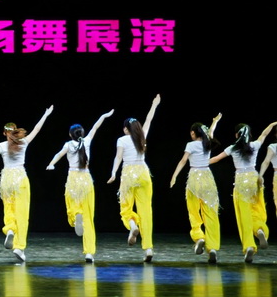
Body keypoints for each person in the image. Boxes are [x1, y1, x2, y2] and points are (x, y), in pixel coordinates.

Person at [0, 107, 54, 262]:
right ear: (15, 131)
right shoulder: (24, 142)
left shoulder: (1, 146)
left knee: (9, 208)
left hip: (6, 179)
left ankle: (10, 230)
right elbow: (37, 129)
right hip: (20, 178)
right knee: (22, 213)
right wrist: (46, 114)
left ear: (4, 133)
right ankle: (19, 247)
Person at [45, 109, 114, 263]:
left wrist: (51, 164)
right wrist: (103, 115)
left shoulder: (68, 144)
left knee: (71, 203)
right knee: (89, 217)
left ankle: (76, 216)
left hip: (73, 178)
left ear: (70, 135)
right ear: (82, 133)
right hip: (86, 178)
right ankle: (89, 253)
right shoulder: (87, 141)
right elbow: (95, 127)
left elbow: (58, 155)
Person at [209, 120, 277, 263]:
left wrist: (201, 163)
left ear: (236, 135)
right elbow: (264, 135)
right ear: (249, 134)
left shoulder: (232, 148)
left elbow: (216, 159)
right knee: (258, 209)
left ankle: (249, 246)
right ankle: (260, 230)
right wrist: (271, 125)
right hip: (254, 179)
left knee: (244, 216)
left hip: (240, 181)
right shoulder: (255, 145)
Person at [107, 94, 161, 263]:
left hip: (128, 174)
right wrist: (154, 105)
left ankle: (132, 226)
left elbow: (118, 158)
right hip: (143, 172)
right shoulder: (142, 135)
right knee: (146, 211)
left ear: (125, 129)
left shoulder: (122, 139)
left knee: (125, 208)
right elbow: (149, 119)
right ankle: (148, 248)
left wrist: (113, 173)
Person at [169, 114, 222, 263]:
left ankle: (199, 237)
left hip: (194, 179)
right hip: (208, 178)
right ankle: (212, 248)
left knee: (193, 211)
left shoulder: (191, 145)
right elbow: (211, 133)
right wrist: (215, 122)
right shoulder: (207, 142)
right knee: (211, 213)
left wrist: (174, 176)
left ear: (193, 133)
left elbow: (183, 160)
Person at [258, 124, 277, 214]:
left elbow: (266, 162)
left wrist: (260, 175)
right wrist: (260, 175)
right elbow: (266, 162)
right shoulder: (273, 146)